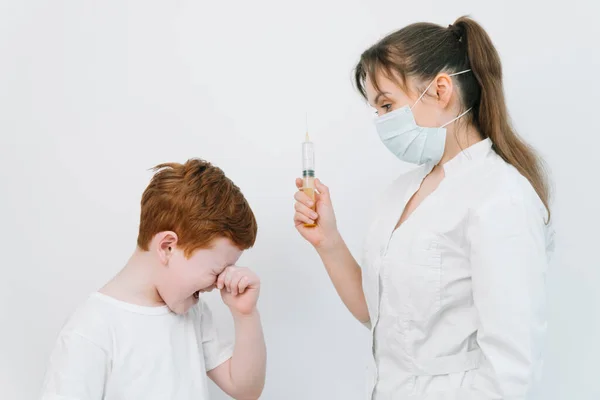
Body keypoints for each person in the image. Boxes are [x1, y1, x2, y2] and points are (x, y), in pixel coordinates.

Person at [294, 16, 554, 399]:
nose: (381, 121)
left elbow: (512, 372)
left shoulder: (502, 198)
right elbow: (376, 313)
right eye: (376, 110)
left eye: (387, 104)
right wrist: (328, 240)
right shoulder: (403, 191)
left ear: (440, 90)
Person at [41, 159, 266, 400]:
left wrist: (245, 315)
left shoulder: (193, 314)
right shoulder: (91, 330)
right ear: (168, 247)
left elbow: (246, 390)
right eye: (216, 271)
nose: (218, 283)